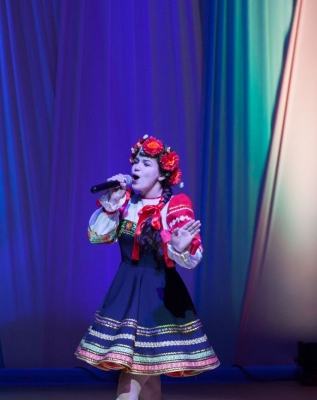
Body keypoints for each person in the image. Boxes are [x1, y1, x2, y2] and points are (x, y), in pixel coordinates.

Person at [75, 135, 219, 400]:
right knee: (150, 385)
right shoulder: (125, 202)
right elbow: (97, 236)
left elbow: (192, 258)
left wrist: (180, 246)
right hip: (126, 294)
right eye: (136, 163)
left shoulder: (174, 206)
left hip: (157, 297)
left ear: (162, 174)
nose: (137, 168)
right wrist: (112, 202)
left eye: (146, 164)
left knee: (129, 385)